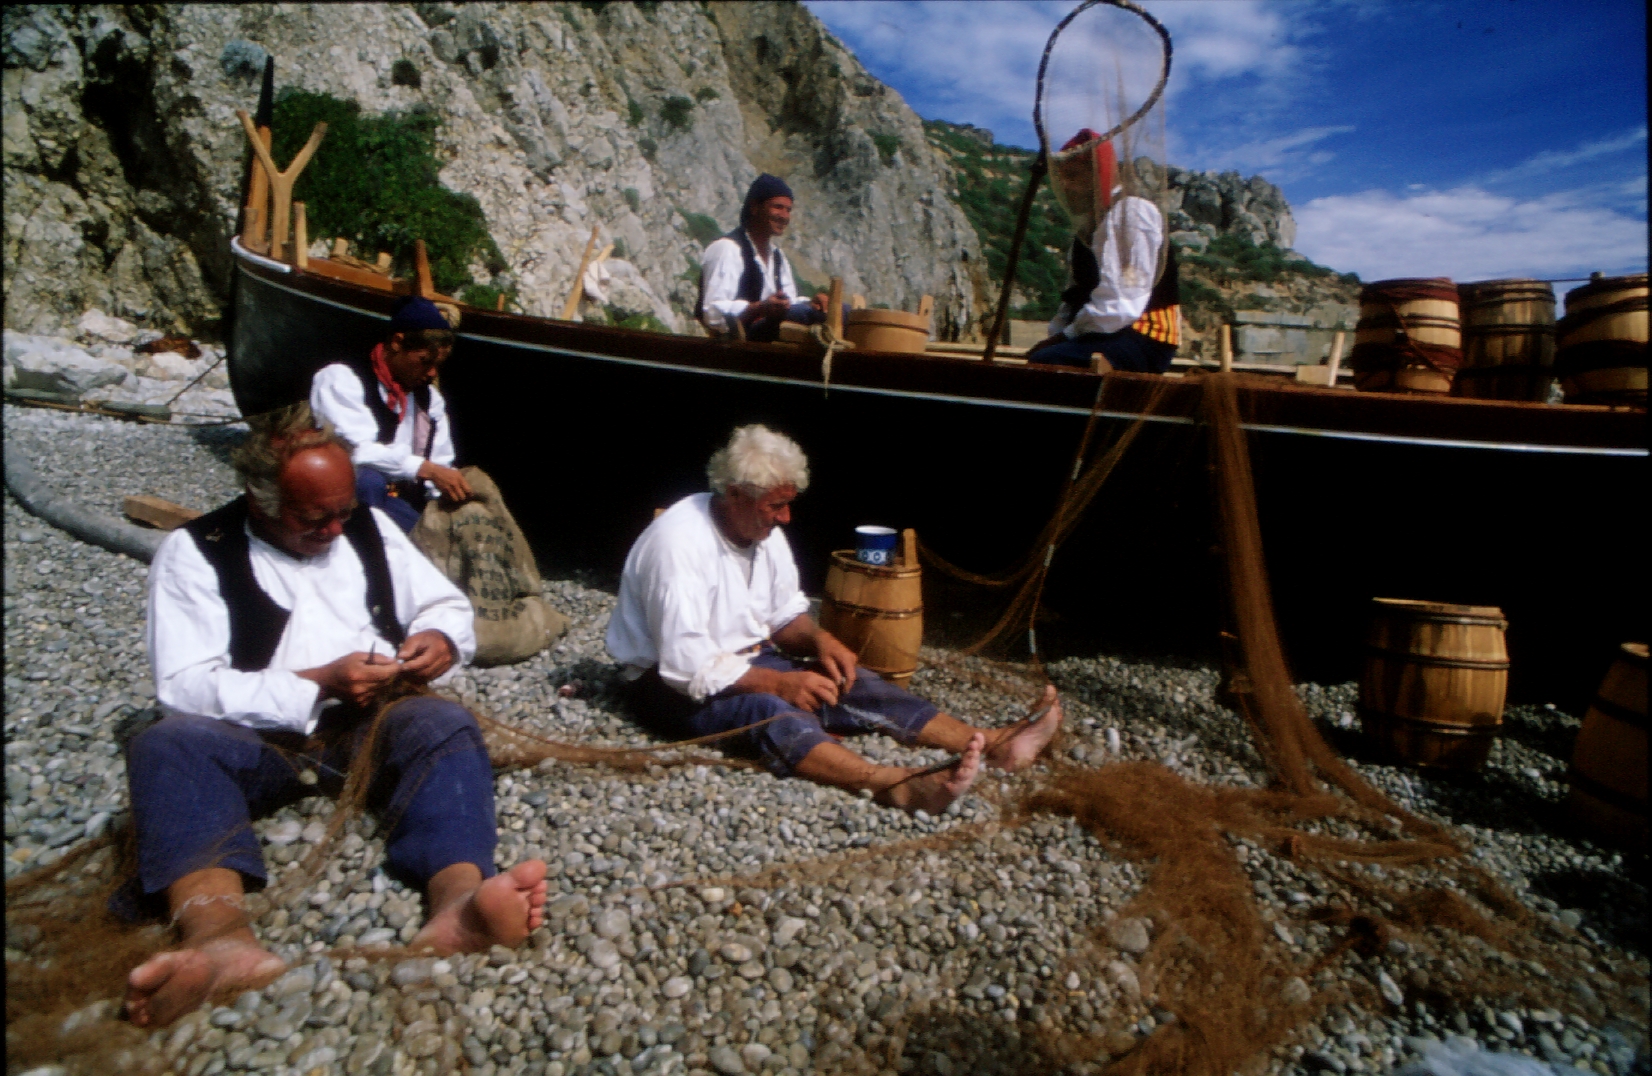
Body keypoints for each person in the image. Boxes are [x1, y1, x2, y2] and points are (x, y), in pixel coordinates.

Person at [120, 403, 546, 1030]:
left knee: (444, 726)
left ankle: (458, 905)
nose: (334, 531)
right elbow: (183, 686)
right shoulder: (195, 552)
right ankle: (217, 939)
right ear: (260, 500)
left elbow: (444, 603)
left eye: (342, 511)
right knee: (166, 746)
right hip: (257, 737)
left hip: (365, 718)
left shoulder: (367, 526)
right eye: (313, 518)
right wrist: (314, 683)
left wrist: (441, 641)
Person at [606, 424, 1063, 813]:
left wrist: (820, 641)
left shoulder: (761, 532)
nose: (785, 517)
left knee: (851, 680)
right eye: (775, 506)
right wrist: (780, 683)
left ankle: (989, 742)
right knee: (770, 710)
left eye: (789, 504)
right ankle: (891, 783)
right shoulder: (679, 545)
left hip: (744, 659)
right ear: (734, 495)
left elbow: (783, 618)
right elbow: (685, 663)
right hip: (664, 683)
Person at [309, 295, 472, 534]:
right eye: (424, 361)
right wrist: (424, 469)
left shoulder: (430, 401)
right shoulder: (342, 378)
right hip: (345, 494)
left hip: (397, 500)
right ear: (397, 342)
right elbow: (354, 450)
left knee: (437, 538)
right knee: (369, 481)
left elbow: (441, 462)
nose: (431, 373)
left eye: (438, 365)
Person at [1027, 130, 1181, 372]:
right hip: (1103, 332)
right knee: (1041, 359)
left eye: (1073, 176)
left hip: (1143, 338)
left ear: (1096, 175)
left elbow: (1123, 304)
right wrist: (1056, 335)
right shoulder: (1086, 232)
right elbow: (1074, 296)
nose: (1066, 186)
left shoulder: (1131, 213)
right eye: (1062, 178)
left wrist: (1063, 338)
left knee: (1049, 362)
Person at [697, 174, 831, 343]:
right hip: (739, 342)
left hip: (770, 335)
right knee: (807, 314)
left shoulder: (777, 256)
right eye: (778, 207)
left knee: (838, 311)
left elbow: (789, 301)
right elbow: (712, 312)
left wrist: (812, 302)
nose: (784, 216)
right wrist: (759, 308)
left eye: (788, 210)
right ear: (754, 207)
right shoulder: (727, 249)